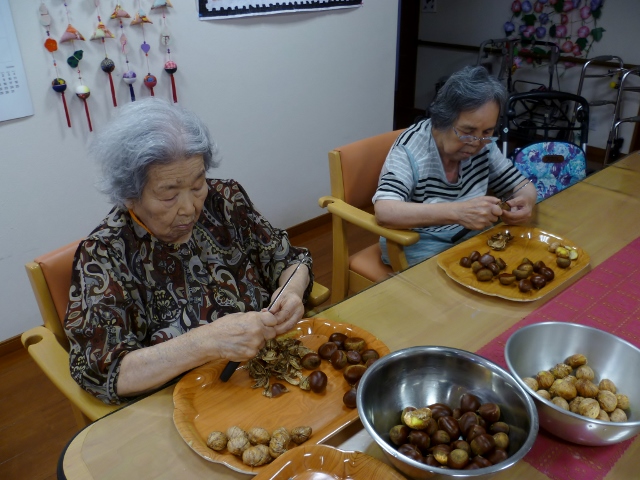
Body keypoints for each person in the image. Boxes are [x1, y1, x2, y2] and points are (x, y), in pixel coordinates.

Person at [64, 99, 313, 405]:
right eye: (169, 195)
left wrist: (292, 292)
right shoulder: (103, 254)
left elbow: (290, 260)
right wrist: (205, 342)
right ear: (129, 195)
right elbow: (106, 372)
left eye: (197, 186)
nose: (190, 208)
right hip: (185, 404)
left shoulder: (225, 200)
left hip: (267, 374)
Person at [373, 66, 537, 266]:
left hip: (471, 238)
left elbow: (521, 184)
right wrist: (458, 213)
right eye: (467, 131)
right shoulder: (410, 149)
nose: (476, 142)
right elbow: (385, 211)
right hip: (420, 243)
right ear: (442, 119)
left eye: (487, 131)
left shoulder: (483, 143)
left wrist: (527, 200)